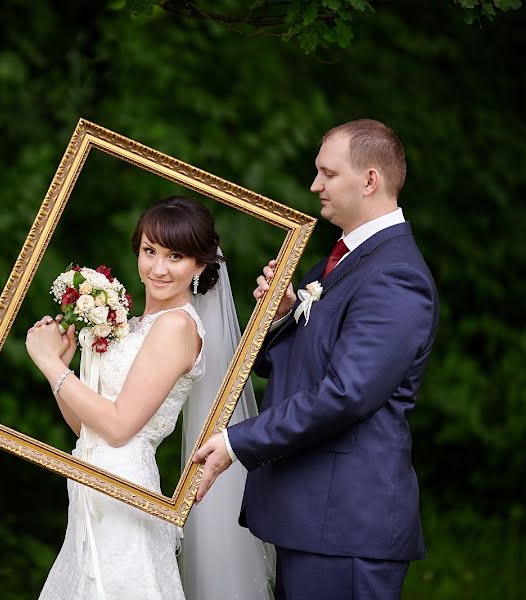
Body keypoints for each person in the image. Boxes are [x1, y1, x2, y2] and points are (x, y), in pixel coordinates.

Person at [194, 119, 440, 599]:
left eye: (327, 173)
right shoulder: (344, 261)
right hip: (314, 521)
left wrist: (238, 442)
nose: (315, 186)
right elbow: (285, 368)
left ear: (369, 180)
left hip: (346, 526)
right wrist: (281, 315)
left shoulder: (395, 277)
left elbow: (346, 394)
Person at [27, 195, 253, 600]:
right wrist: (62, 365)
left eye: (176, 256)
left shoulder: (177, 327)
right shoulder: (131, 326)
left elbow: (118, 428)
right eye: (150, 251)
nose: (158, 268)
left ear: (200, 265)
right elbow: (85, 427)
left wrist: (50, 365)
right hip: (90, 481)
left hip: (124, 486)